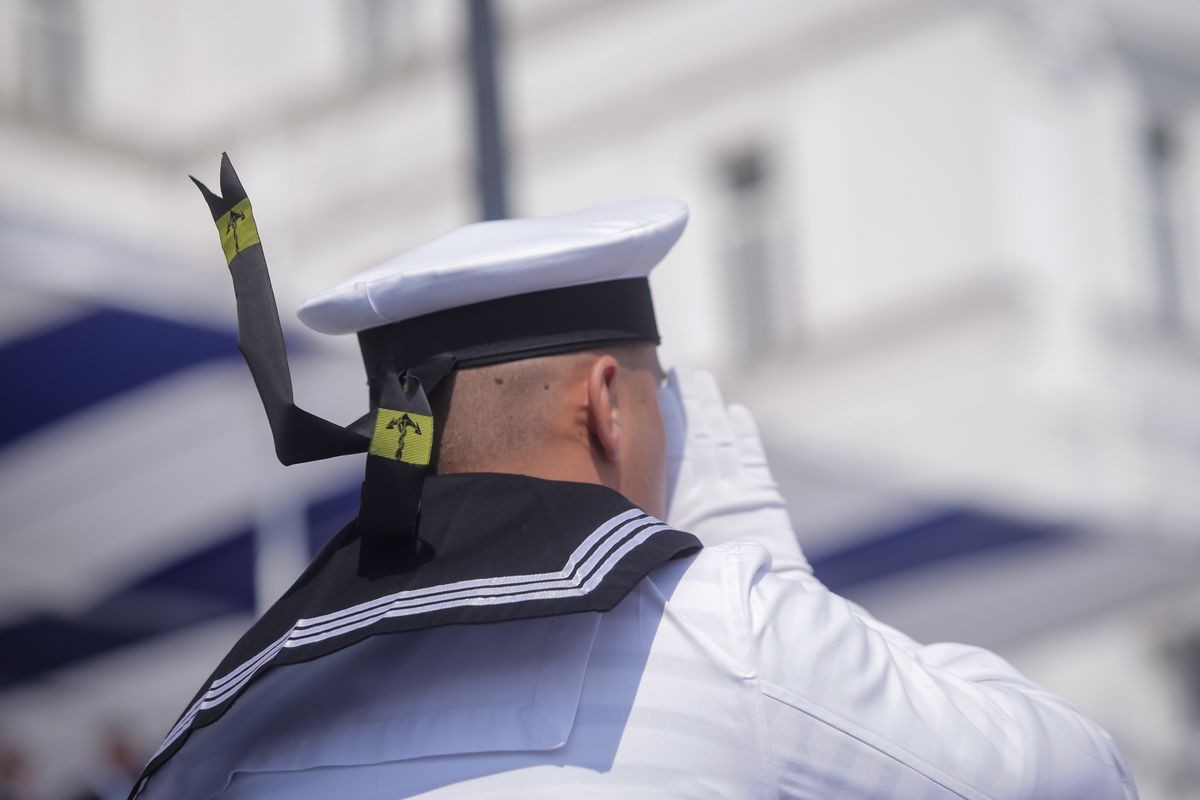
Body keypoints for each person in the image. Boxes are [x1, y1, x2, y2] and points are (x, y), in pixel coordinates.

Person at [129, 156, 1136, 799]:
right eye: (659, 394)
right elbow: (1079, 775)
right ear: (607, 404)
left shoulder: (238, 705)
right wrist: (771, 577)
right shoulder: (724, 632)